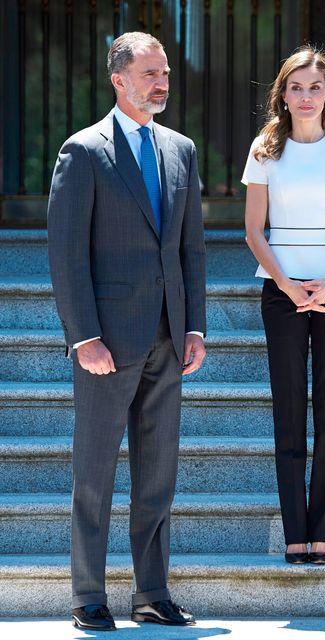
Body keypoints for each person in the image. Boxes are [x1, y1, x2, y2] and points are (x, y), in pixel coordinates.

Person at [48, 31, 206, 631]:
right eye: (150, 73)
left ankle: (152, 594)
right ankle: (88, 596)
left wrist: (195, 326)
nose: (162, 82)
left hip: (170, 337)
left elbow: (190, 247)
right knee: (94, 476)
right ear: (119, 80)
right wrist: (83, 335)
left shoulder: (181, 150)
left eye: (165, 72)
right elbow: (66, 253)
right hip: (107, 344)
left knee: (157, 476)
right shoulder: (83, 152)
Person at [243, 46, 325, 566]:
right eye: (296, 87)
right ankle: (295, 535)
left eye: (315, 87)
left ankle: (324, 537)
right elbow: (253, 230)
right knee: (289, 415)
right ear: (283, 93)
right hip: (282, 294)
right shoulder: (265, 149)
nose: (305, 96)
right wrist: (291, 287)